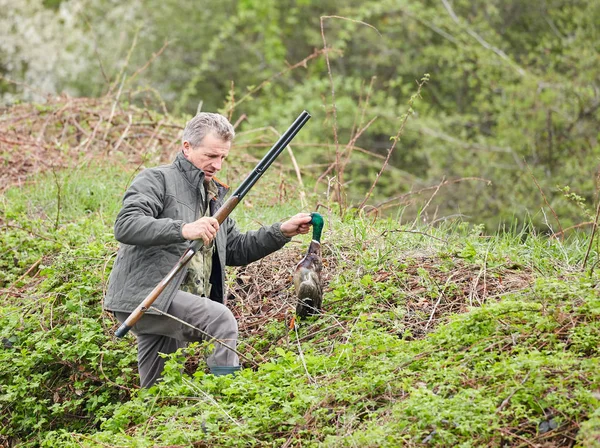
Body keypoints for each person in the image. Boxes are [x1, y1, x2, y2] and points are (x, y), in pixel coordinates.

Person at [104, 112, 312, 387]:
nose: (217, 165)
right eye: (211, 156)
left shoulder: (213, 196)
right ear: (187, 147)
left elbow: (236, 250)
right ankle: (229, 398)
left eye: (223, 158)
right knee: (221, 320)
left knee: (159, 390)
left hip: (176, 298)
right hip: (147, 296)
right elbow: (126, 225)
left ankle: (153, 421)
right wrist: (183, 228)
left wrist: (280, 231)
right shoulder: (156, 179)